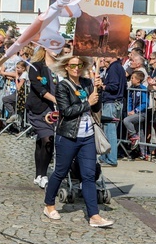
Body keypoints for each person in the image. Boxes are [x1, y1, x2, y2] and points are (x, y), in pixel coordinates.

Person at [42, 55, 113, 227]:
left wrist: (98, 91)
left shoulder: (87, 84)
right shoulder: (62, 86)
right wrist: (88, 102)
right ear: (66, 66)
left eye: (80, 65)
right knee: (61, 171)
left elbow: (96, 107)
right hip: (68, 136)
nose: (76, 68)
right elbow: (66, 111)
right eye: (73, 65)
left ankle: (94, 216)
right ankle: (49, 204)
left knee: (88, 175)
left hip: (87, 136)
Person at [26, 47, 58, 187]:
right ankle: (43, 175)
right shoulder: (36, 66)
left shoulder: (60, 67)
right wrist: (57, 100)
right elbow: (39, 88)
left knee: (42, 141)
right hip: (39, 109)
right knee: (48, 138)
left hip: (54, 111)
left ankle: (39, 173)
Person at [99, 55, 127, 167]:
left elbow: (114, 86)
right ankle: (106, 156)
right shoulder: (118, 67)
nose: (105, 58)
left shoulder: (114, 67)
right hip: (116, 103)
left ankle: (111, 158)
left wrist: (103, 86)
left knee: (110, 132)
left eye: (107, 55)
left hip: (112, 102)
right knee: (108, 131)